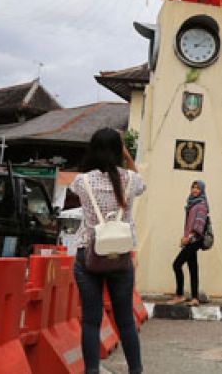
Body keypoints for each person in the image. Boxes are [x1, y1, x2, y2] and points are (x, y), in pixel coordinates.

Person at [67, 128, 144, 374]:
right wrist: (127, 155)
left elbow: (73, 191)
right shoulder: (131, 181)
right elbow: (140, 180)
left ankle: (92, 371)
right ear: (117, 150)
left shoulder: (83, 181)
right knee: (125, 320)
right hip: (120, 257)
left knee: (91, 320)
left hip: (88, 255)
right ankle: (136, 370)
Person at [171, 180, 209, 305]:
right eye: (193, 187)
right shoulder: (192, 204)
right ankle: (194, 298)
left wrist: (189, 238)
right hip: (191, 240)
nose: (194, 190)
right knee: (193, 268)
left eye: (197, 188)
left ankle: (180, 295)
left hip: (195, 240)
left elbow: (199, 224)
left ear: (202, 190)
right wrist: (185, 237)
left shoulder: (202, 204)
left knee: (177, 264)